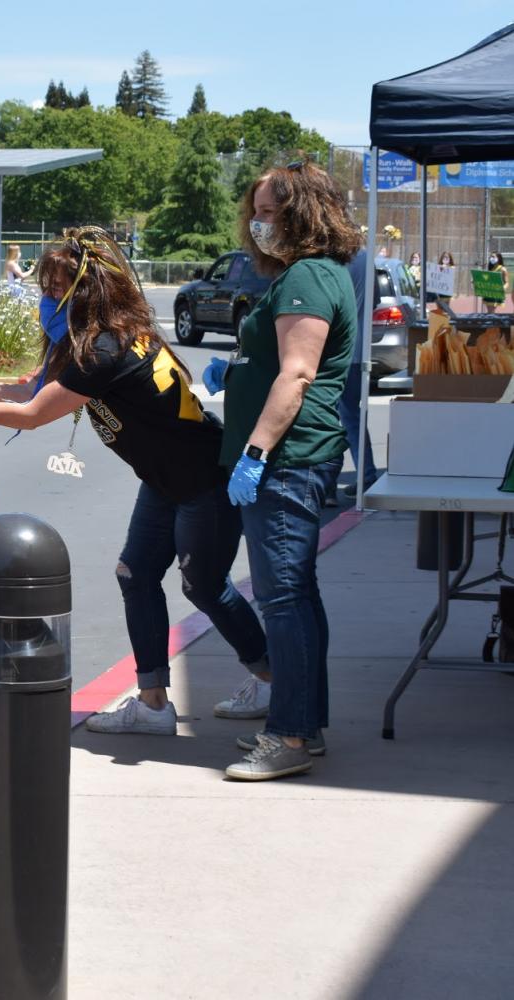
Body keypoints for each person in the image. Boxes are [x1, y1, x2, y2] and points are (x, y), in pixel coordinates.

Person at [0, 227, 270, 737]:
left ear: (87, 290)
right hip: (164, 480)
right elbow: (33, 387)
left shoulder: (102, 350)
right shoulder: (103, 336)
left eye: (57, 291)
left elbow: (32, 414)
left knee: (205, 587)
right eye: (45, 291)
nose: (47, 301)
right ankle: (153, 704)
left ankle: (269, 675)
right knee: (135, 574)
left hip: (202, 480)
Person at [219, 159, 362, 781]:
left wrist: (254, 453)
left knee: (283, 600)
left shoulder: (306, 277)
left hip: (287, 461)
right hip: (297, 458)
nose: (259, 222)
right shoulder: (319, 272)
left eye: (271, 212)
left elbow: (298, 373)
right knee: (295, 597)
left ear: (303, 212)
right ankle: (304, 723)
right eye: (256, 211)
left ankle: (292, 737)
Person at [324, 247, 380, 507]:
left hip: (339, 350)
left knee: (333, 417)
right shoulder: (367, 259)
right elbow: (375, 301)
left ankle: (329, 482)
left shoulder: (333, 259)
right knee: (351, 417)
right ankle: (364, 473)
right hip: (359, 350)